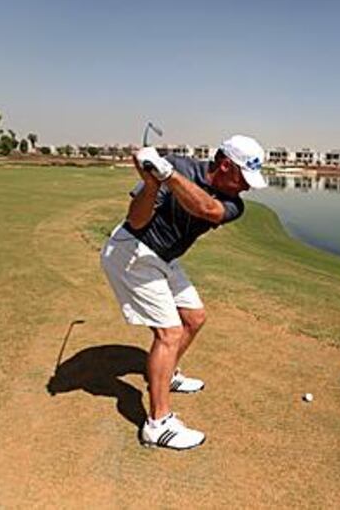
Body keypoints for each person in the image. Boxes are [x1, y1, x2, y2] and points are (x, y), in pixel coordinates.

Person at [100, 135, 267, 450]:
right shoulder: (178, 165)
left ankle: (165, 375)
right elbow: (136, 220)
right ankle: (157, 424)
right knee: (169, 333)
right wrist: (152, 183)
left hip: (164, 257)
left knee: (194, 317)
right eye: (243, 178)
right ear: (225, 165)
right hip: (131, 251)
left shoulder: (233, 203)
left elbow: (208, 210)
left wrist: (165, 176)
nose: (246, 187)